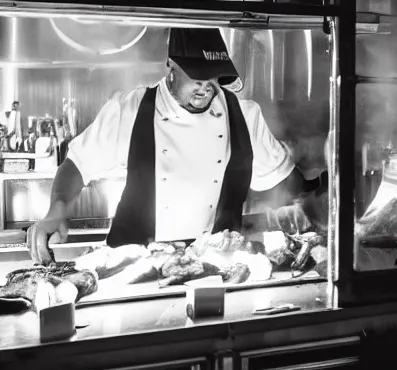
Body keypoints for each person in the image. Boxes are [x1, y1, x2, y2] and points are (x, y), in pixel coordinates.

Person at [28, 27, 328, 264]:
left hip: (215, 267)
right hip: (135, 265)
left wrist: (320, 191)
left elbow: (283, 178)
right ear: (170, 66)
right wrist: (56, 209)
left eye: (213, 78)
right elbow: (77, 165)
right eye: (196, 77)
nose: (206, 87)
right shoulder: (130, 109)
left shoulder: (244, 114)